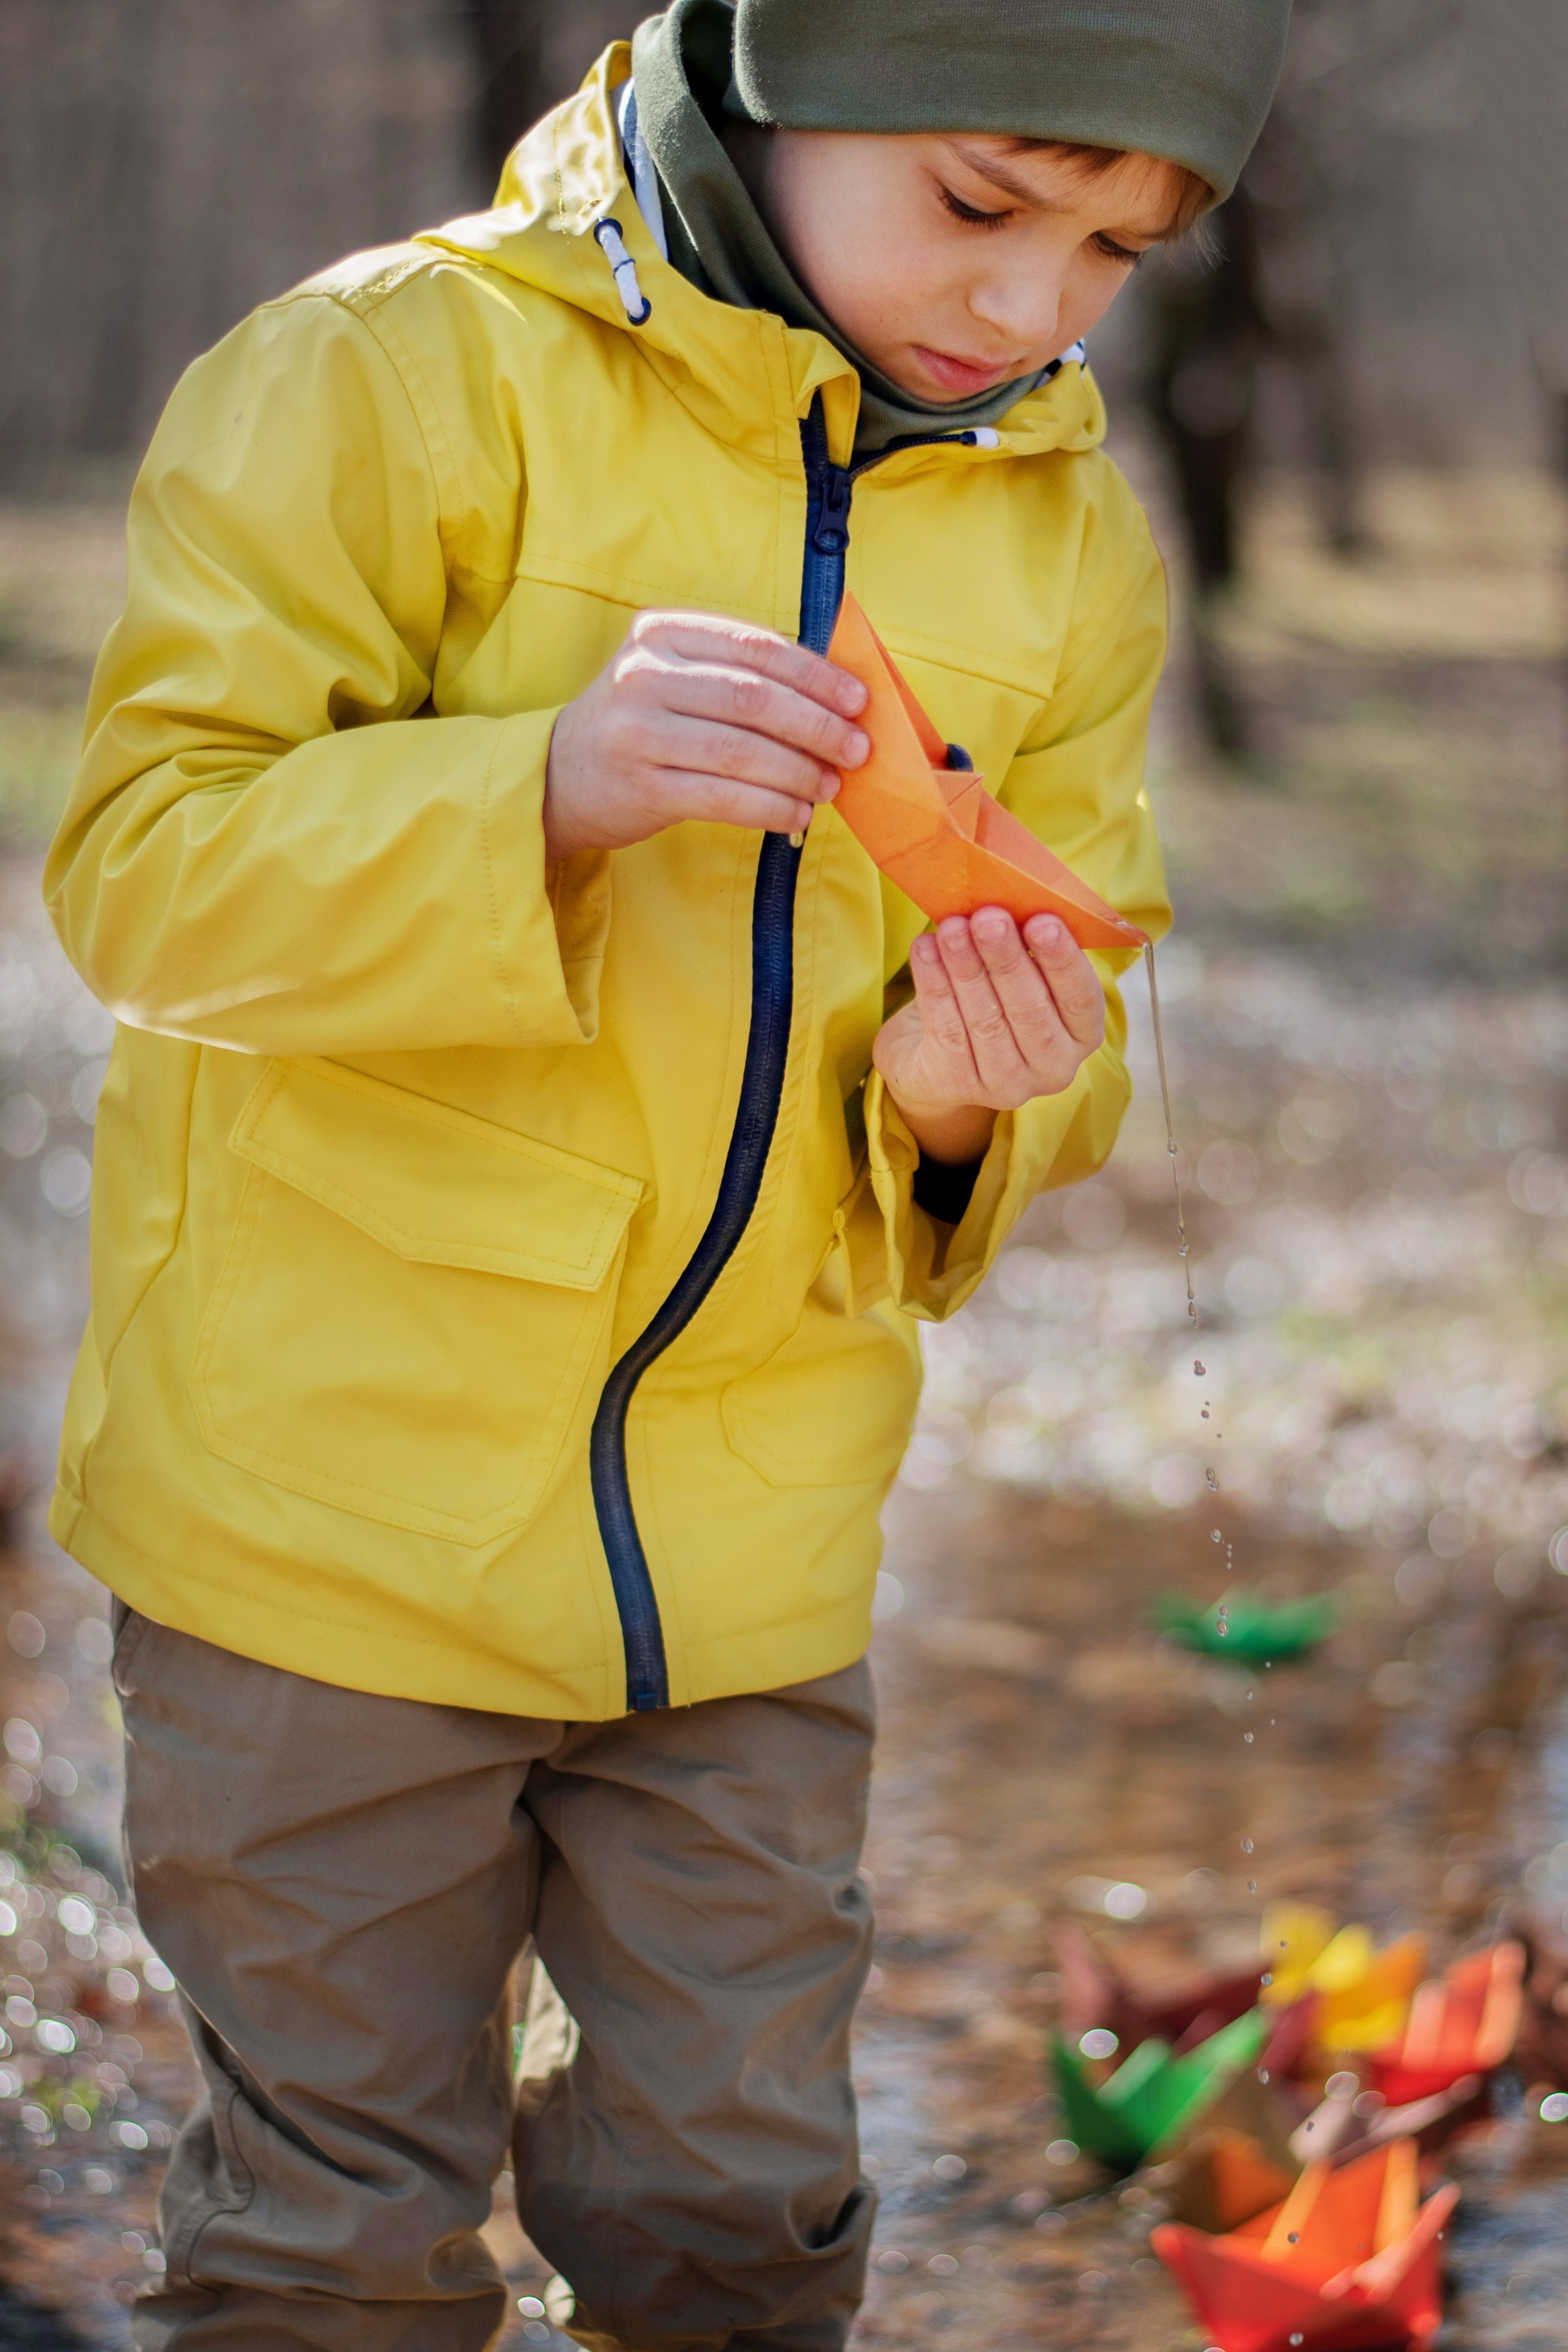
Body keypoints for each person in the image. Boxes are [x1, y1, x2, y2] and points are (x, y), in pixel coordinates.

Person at [43, 2, 1289, 2344]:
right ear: (774, 79)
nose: (1029, 307)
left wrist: (967, 1093)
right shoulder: (385, 374)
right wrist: (540, 790)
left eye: (1118, 248)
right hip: (320, 1534)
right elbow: (144, 879)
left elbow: (1074, 994)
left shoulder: (1062, 537)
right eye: (982, 200)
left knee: (740, 2208)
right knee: (333, 2243)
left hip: (750, 1565)